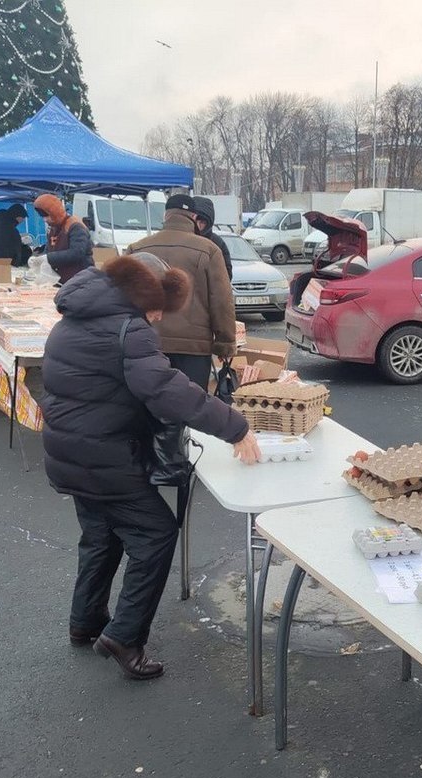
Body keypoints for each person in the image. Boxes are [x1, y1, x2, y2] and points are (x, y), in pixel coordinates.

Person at [40, 251, 261, 679]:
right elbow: (166, 389)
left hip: (71, 452)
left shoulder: (73, 318)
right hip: (103, 456)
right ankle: (124, 636)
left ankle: (84, 621)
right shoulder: (129, 329)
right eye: (159, 305)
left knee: (101, 535)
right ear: (144, 295)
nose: (159, 317)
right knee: (156, 533)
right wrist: (235, 426)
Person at [126, 194, 236, 387]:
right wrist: (225, 343)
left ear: (166, 215)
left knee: (149, 407)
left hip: (147, 342)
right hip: (194, 348)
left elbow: (123, 296)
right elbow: (221, 300)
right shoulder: (209, 250)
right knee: (190, 407)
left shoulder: (138, 248)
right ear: (193, 217)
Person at [29, 194, 94, 284]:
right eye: (42, 217)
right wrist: (38, 259)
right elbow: (49, 250)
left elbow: (77, 252)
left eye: (47, 216)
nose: (45, 220)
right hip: (62, 280)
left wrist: (48, 258)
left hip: (80, 280)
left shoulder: (75, 226)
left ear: (54, 212)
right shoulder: (53, 229)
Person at [191, 196, 233, 280]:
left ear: (209, 223)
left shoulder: (217, 243)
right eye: (195, 221)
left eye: (202, 222)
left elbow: (227, 275)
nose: (198, 225)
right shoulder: (183, 240)